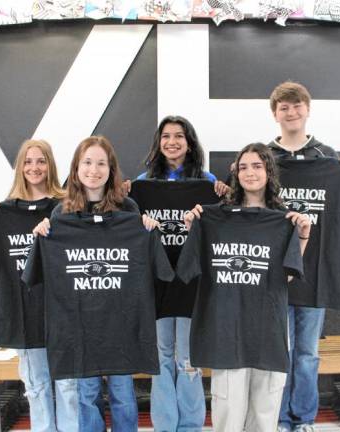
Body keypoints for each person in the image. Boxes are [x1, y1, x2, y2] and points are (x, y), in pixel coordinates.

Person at [181, 143, 311, 431]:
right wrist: (195, 228)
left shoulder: (285, 219)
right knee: (228, 413)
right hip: (227, 328)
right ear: (235, 173)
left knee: (265, 413)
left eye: (257, 166)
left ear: (269, 171)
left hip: (268, 327)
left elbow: (286, 277)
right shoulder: (215, 217)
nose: (249, 172)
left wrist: (302, 236)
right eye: (243, 167)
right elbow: (193, 266)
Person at [33, 136, 158, 432]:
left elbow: (144, 261)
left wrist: (148, 228)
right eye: (87, 162)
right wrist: (43, 233)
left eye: (101, 163)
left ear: (111, 169)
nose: (94, 169)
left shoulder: (127, 208)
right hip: (81, 326)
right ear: (76, 168)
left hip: (120, 323)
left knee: (123, 394)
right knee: (86, 394)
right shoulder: (61, 213)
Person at [267, 81, 340, 432]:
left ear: (308, 109)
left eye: (297, 105)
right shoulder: (264, 158)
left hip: (315, 276)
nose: (291, 112)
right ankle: (278, 418)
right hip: (275, 276)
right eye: (284, 107)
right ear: (275, 114)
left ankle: (303, 419)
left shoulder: (329, 158)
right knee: (279, 354)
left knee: (306, 355)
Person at [0, 139, 78, 432]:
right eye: (29, 161)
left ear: (51, 165)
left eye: (41, 161)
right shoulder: (1, 214)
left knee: (69, 389)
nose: (35, 167)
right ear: (20, 167)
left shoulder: (67, 208)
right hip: (25, 318)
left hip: (64, 313)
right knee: (36, 388)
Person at [135, 115, 227, 432]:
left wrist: (224, 193)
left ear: (189, 143)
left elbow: (226, 218)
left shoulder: (207, 182)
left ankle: (189, 425)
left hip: (191, 280)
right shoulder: (142, 183)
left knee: (188, 357)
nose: (172, 142)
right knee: (161, 356)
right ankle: (165, 424)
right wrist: (122, 194)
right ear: (158, 143)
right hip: (157, 281)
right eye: (166, 136)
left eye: (179, 136)